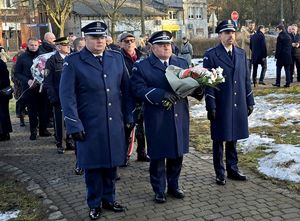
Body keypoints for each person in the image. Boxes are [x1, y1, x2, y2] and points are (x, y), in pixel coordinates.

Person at [59, 21, 134, 220]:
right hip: (89, 124)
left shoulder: (116, 58)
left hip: (114, 122)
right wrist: (73, 124)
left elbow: (126, 90)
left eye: (102, 37)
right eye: (94, 37)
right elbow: (67, 96)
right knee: (93, 166)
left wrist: (129, 115)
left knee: (111, 164)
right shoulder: (74, 61)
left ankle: (109, 199)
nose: (99, 41)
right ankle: (94, 203)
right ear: (85, 39)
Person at [131, 30, 202, 203]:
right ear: (152, 47)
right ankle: (159, 189)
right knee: (158, 155)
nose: (166, 47)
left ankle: (174, 185)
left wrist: (200, 87)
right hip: (157, 116)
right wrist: (160, 94)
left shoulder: (181, 62)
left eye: (168, 44)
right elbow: (138, 89)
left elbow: (189, 85)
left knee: (177, 153)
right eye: (162, 45)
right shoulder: (143, 66)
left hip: (179, 113)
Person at [204, 20, 255, 185]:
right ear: (220, 36)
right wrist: (210, 105)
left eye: (232, 32)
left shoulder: (241, 53)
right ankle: (220, 172)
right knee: (219, 138)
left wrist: (249, 100)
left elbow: (246, 79)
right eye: (226, 33)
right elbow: (208, 83)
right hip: (221, 103)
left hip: (237, 102)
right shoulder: (211, 55)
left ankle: (233, 168)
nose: (230, 35)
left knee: (233, 136)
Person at [119, 32, 148, 162]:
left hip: (141, 96)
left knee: (141, 127)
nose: (130, 43)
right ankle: (123, 155)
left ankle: (141, 152)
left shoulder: (143, 56)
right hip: (126, 97)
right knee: (127, 126)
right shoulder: (117, 57)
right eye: (126, 41)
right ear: (120, 43)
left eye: (132, 40)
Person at [15, 37, 51, 140]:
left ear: (38, 45)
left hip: (42, 86)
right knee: (32, 111)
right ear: (27, 45)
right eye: (31, 45)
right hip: (29, 88)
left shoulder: (44, 56)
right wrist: (28, 81)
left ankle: (43, 129)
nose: (33, 47)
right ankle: (33, 131)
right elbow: (17, 73)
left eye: (35, 45)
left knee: (44, 109)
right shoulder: (22, 57)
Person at [44, 37, 74, 154]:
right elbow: (48, 81)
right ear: (58, 47)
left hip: (72, 96)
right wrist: (53, 97)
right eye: (65, 45)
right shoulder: (52, 61)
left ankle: (71, 141)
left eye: (68, 45)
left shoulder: (72, 59)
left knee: (72, 118)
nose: (68, 47)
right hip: (58, 96)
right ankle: (60, 143)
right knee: (60, 121)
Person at [11, 43, 28, 127]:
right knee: (20, 105)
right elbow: (13, 77)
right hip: (19, 89)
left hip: (27, 87)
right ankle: (21, 120)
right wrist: (21, 81)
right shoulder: (15, 66)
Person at [0, 59, 12, 141]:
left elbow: (4, 79)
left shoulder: (1, 64)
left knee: (3, 113)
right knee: (4, 113)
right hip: (3, 92)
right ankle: (5, 133)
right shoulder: (1, 63)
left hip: (2, 92)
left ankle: (3, 133)